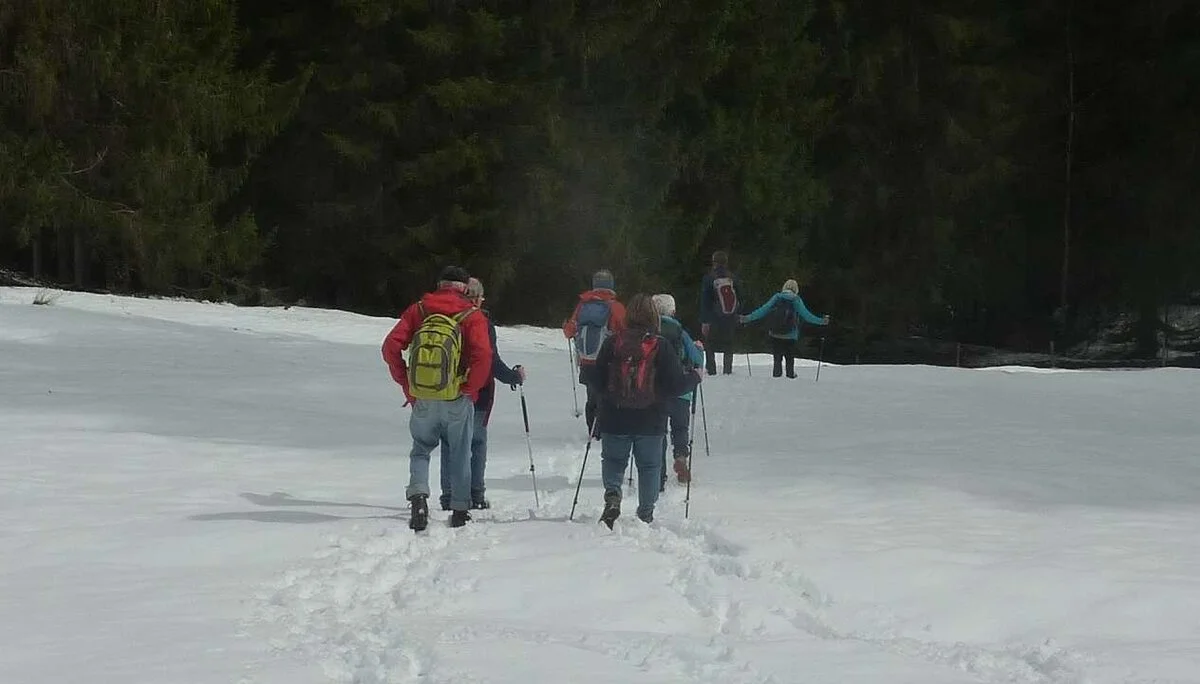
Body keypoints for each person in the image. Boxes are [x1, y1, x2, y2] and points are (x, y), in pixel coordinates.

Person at [381, 266, 492, 531]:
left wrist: (407, 384)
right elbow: (483, 356)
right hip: (456, 395)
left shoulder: (419, 310)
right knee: (460, 452)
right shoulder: (471, 315)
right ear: (464, 288)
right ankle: (460, 509)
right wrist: (469, 388)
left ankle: (419, 497)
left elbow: (390, 347)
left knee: (421, 448)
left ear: (440, 284)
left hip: (423, 395)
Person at [593, 294, 702, 528]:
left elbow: (597, 380)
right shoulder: (660, 345)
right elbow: (674, 385)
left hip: (615, 417)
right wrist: (694, 377)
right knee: (649, 467)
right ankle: (645, 513)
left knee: (613, 460)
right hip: (651, 420)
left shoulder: (612, 343)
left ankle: (613, 495)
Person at [437, 277, 525, 512]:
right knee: (475, 443)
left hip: (446, 390)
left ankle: (448, 495)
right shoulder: (481, 321)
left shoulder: (444, 317)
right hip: (478, 393)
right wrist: (514, 377)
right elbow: (491, 361)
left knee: (450, 443)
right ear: (475, 298)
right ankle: (475, 494)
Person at [562, 269, 626, 434]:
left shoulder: (582, 305)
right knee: (607, 396)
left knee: (592, 395)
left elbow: (570, 331)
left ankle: (593, 430)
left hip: (586, 360)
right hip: (609, 361)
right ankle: (605, 429)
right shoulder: (616, 307)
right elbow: (624, 331)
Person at [652, 293, 704, 489]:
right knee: (680, 427)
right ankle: (681, 456)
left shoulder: (648, 331)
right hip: (681, 389)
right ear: (672, 310)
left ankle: (659, 474)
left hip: (655, 391)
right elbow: (697, 360)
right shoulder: (679, 331)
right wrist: (699, 350)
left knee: (659, 431)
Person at [740, 278, 830, 378]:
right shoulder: (796, 299)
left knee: (777, 359)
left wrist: (748, 318)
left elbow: (763, 310)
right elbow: (807, 315)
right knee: (790, 358)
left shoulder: (777, 297)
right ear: (796, 289)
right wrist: (822, 321)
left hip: (775, 333)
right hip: (791, 335)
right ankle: (790, 375)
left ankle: (777, 376)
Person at [699, 250, 742, 375]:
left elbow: (705, 301)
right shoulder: (733, 278)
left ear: (714, 262)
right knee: (729, 343)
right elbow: (741, 296)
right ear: (726, 262)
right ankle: (727, 369)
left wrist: (704, 321)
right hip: (730, 316)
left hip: (713, 317)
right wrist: (738, 313)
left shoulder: (709, 278)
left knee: (709, 343)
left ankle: (711, 369)